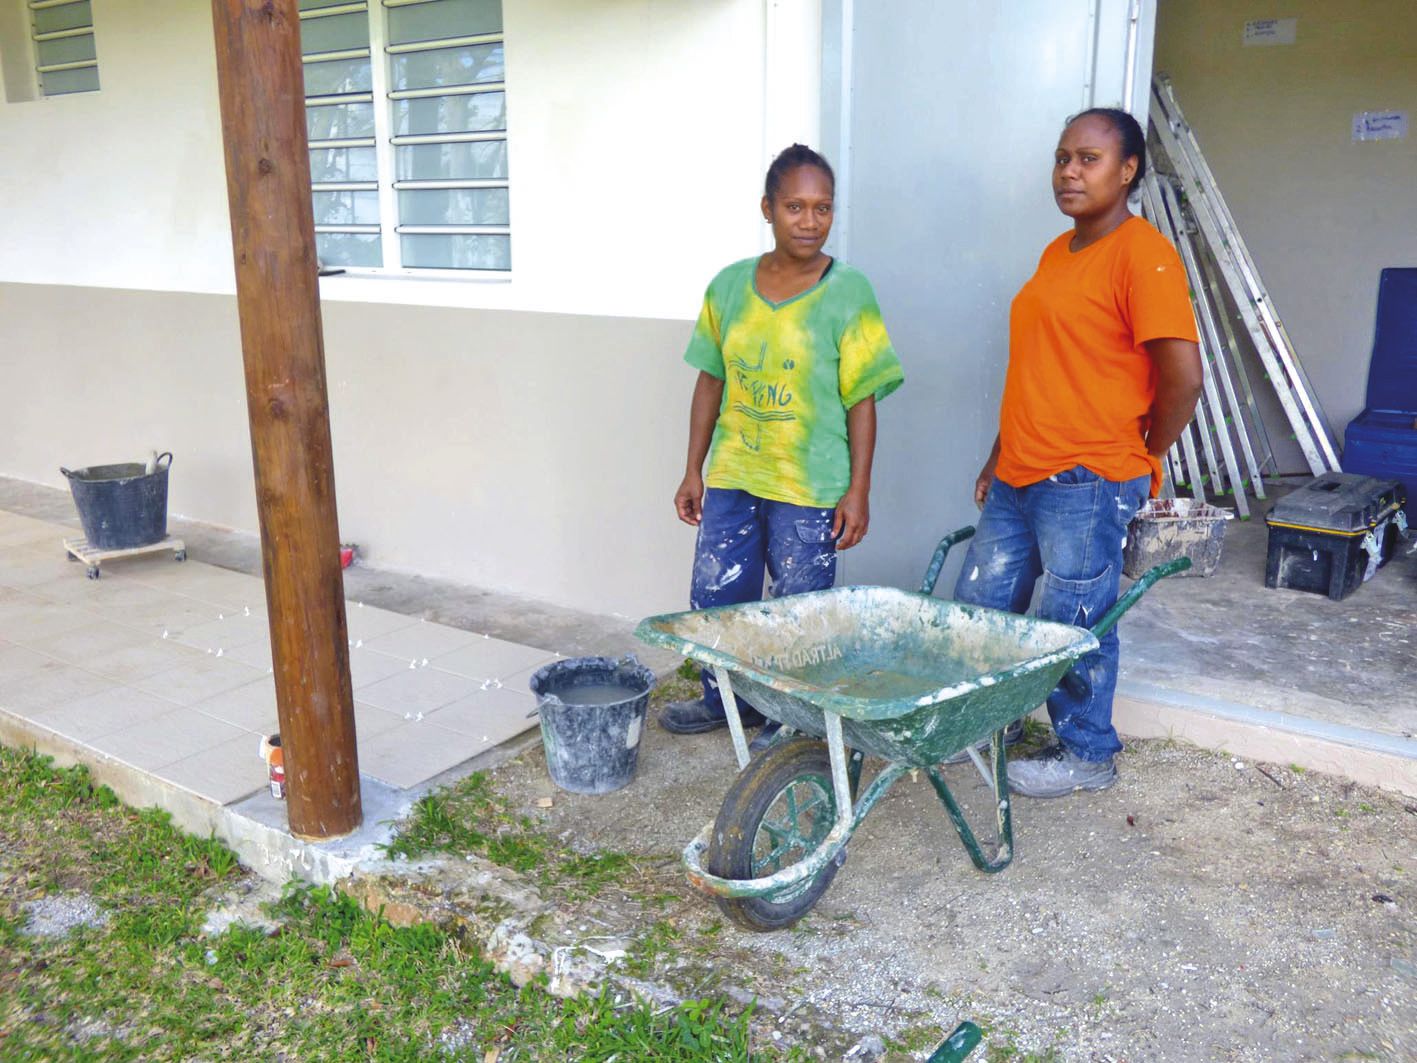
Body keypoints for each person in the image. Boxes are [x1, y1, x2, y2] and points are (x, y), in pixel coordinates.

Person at [951, 107, 1202, 798]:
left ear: (1125, 172)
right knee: (981, 606)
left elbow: (1183, 379)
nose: (1068, 170)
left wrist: (1137, 452)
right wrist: (996, 455)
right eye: (1062, 156)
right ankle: (975, 723)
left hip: (1086, 480)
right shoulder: (1055, 253)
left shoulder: (1143, 254)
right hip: (1019, 470)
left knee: (1070, 623)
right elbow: (1040, 365)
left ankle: (1086, 753)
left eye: (1087, 158)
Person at [661, 144, 904, 750]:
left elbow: (862, 399)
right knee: (719, 599)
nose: (809, 221)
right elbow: (710, 380)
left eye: (823, 208)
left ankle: (788, 719)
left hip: (810, 484)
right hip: (735, 475)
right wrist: (693, 470)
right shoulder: (728, 288)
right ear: (767, 209)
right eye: (794, 206)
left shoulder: (849, 292)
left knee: (798, 616)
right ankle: (725, 701)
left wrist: (858, 489)